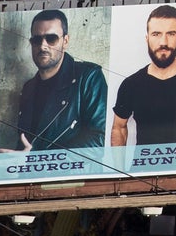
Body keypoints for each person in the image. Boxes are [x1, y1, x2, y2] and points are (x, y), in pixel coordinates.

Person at [110, 5, 176, 146]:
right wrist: (120, 169)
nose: (163, 42)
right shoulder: (131, 84)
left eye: (171, 34)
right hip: (142, 167)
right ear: (147, 38)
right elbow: (119, 128)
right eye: (156, 34)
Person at [7, 9, 107, 152]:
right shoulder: (28, 88)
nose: (43, 46)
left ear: (65, 41)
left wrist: (38, 159)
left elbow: (98, 141)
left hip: (74, 173)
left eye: (51, 39)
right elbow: (25, 145)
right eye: (37, 40)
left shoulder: (88, 77)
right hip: (31, 173)